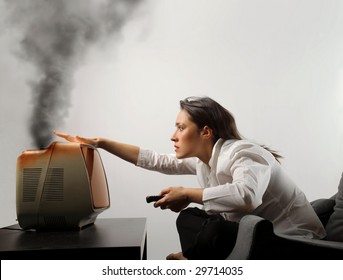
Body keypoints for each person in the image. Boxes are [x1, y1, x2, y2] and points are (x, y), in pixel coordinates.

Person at [54, 96, 326, 260]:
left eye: (181, 127)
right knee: (189, 218)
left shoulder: (244, 153)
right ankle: (197, 260)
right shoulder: (204, 162)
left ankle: (193, 260)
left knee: (214, 227)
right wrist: (100, 142)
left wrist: (187, 194)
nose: (173, 135)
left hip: (291, 240)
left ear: (205, 132)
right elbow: (154, 160)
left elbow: (246, 196)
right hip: (254, 235)